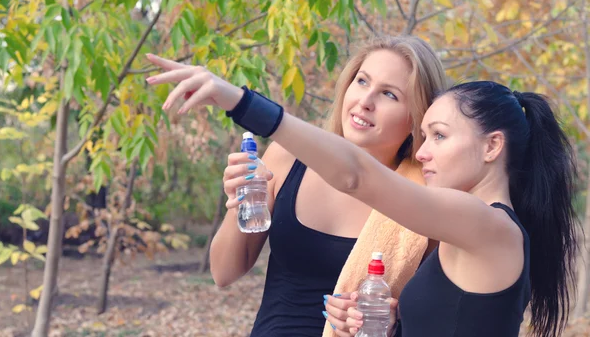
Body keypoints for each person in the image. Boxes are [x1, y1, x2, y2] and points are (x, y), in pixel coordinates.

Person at [145, 62, 577, 337]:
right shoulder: (472, 228)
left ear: (491, 147)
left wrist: (240, 101)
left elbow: (354, 175)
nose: (423, 151)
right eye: (424, 137)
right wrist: (387, 324)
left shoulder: (484, 223)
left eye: (439, 137)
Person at [146, 35, 448, 337]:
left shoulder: (423, 198)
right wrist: (241, 205)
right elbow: (223, 273)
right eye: (362, 81)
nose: (365, 102)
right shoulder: (288, 157)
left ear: (417, 117)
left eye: (389, 95)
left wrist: (393, 322)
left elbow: (440, 317)